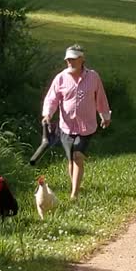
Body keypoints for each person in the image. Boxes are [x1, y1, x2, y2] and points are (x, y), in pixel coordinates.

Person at [42, 44, 111, 200]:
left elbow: (100, 98)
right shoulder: (60, 78)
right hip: (66, 126)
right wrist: (47, 114)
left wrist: (105, 116)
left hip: (86, 126)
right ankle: (74, 185)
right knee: (71, 158)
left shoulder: (93, 77)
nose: (70, 63)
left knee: (78, 156)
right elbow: (52, 99)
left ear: (82, 59)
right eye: (68, 60)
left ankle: (74, 194)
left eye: (73, 59)